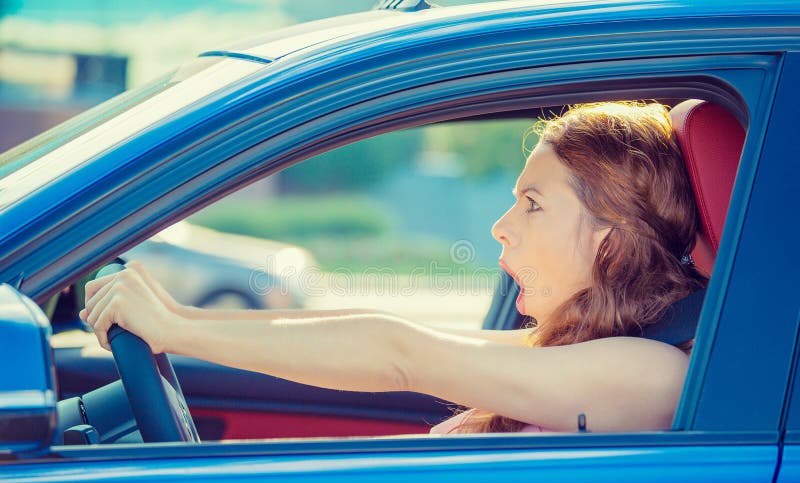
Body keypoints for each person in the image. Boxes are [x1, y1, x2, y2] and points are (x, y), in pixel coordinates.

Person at [80, 101, 708, 435]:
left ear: (610, 243)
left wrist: (177, 328)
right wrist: (177, 316)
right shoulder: (558, 352)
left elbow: (399, 352)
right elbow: (383, 332)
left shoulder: (649, 375)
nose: (500, 224)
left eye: (532, 204)